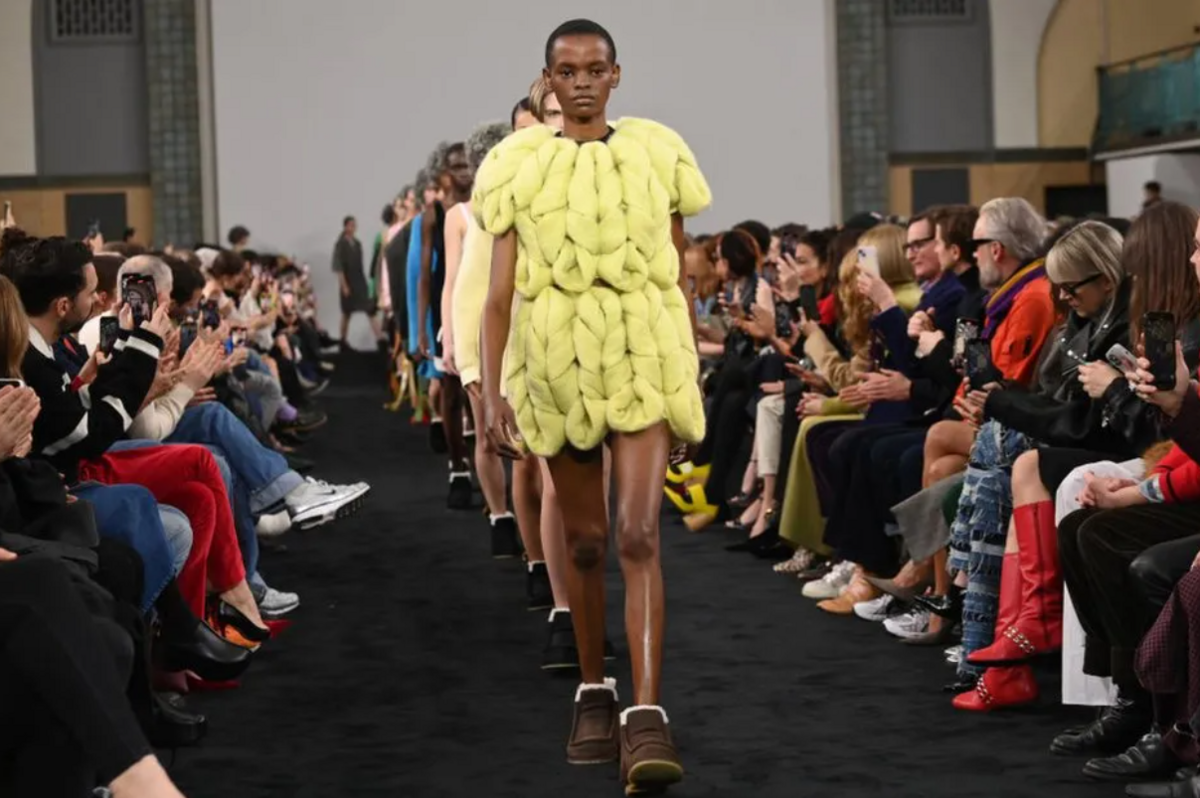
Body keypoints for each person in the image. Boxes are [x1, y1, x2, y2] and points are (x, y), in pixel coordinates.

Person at [476, 19, 711, 793]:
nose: (581, 81)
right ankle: (592, 692)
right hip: (555, 360)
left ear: (617, 75)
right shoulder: (519, 166)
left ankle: (647, 715)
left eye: (595, 68)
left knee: (640, 532)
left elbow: (676, 279)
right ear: (548, 78)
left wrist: (688, 384)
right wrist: (491, 391)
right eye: (567, 70)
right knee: (582, 542)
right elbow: (499, 295)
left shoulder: (655, 155)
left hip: (644, 356)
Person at [332, 215, 384, 348]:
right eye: (351, 225)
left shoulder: (357, 244)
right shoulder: (340, 244)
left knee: (370, 310)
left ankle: (380, 339)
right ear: (346, 227)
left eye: (354, 225)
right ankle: (342, 341)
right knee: (346, 313)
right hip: (348, 282)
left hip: (359, 281)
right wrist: (344, 285)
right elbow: (338, 267)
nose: (353, 228)